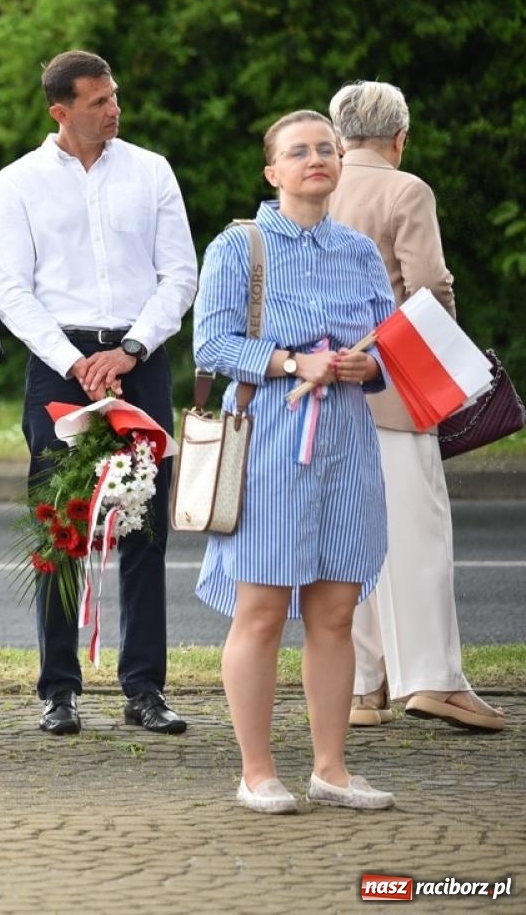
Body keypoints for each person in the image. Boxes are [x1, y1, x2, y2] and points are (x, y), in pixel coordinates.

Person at [193, 110, 398, 813]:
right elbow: (211, 347)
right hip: (267, 437)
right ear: (272, 172)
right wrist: (290, 360)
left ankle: (331, 769)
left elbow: (389, 354)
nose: (316, 158)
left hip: (346, 439)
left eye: (327, 149)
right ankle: (256, 771)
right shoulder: (237, 246)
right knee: (261, 609)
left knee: (336, 612)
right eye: (299, 151)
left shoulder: (360, 251)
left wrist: (365, 366)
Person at [0, 50, 198, 737]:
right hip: (60, 365)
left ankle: (144, 688)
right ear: (61, 110)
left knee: (142, 525)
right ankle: (59, 689)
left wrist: (130, 350)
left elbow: (179, 276)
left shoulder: (151, 170)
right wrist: (76, 362)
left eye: (115, 95)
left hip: (139, 359)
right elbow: (12, 291)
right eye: (98, 100)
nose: (113, 108)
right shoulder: (17, 181)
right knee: (60, 528)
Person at [328, 81, 504, 733]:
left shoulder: (315, 187)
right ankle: (433, 681)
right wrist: (441, 366)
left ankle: (361, 688)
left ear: (339, 132)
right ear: (399, 136)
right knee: (419, 538)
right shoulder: (407, 190)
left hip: (327, 393)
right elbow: (429, 288)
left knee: (353, 542)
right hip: (394, 390)